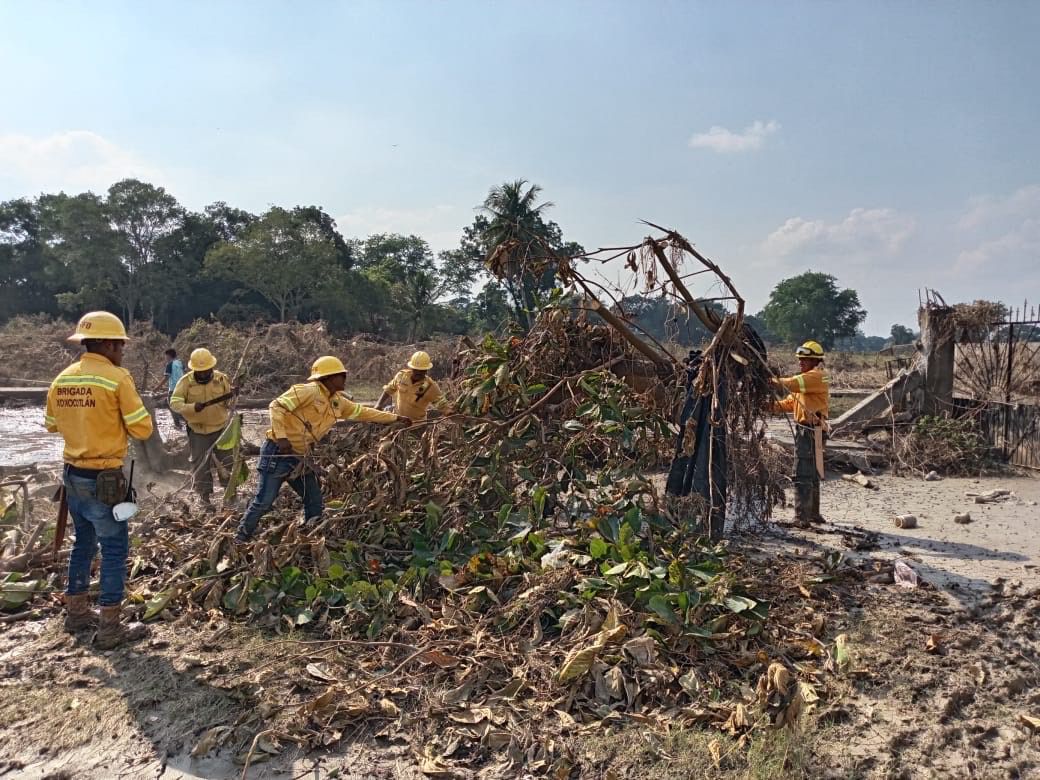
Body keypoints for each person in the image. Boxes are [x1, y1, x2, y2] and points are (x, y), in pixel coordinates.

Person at [44, 311, 153, 649]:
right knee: (116, 548)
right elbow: (143, 428)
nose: (122, 351)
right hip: (104, 478)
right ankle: (109, 627)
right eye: (120, 345)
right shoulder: (116, 378)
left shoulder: (63, 378)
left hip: (72, 476)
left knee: (84, 542)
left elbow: (51, 425)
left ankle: (76, 613)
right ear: (107, 343)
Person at [236, 356, 409, 542]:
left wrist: (395, 418)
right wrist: (282, 437)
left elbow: (362, 412)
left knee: (314, 499)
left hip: (300, 457)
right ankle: (240, 538)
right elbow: (276, 406)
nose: (344, 379)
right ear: (328, 377)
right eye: (341, 375)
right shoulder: (308, 391)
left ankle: (310, 537)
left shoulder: (337, 402)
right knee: (264, 501)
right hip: (278, 452)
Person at [770, 340, 830, 526]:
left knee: (802, 472)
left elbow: (790, 384)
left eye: (805, 359)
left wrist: (768, 380)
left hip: (810, 431)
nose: (800, 362)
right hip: (815, 431)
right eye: (800, 359)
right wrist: (766, 406)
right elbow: (790, 402)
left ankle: (801, 517)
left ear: (815, 361)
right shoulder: (807, 382)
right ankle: (813, 514)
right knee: (813, 472)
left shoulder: (817, 376)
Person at [169, 348, 237, 505]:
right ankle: (204, 498)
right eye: (200, 371)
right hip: (198, 430)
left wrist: (234, 396)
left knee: (227, 462)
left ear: (212, 367)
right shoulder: (185, 382)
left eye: (207, 370)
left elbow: (229, 404)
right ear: (194, 370)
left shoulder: (221, 379)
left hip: (221, 429)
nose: (204, 374)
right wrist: (192, 407)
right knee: (200, 465)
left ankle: (231, 495)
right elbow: (174, 403)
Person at [376, 351, 450, 422]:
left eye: (422, 370)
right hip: (398, 421)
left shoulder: (429, 386)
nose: (418, 373)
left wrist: (451, 414)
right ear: (411, 368)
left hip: (416, 425)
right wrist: (378, 405)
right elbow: (389, 389)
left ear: (427, 370)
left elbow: (442, 405)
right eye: (416, 370)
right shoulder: (402, 376)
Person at [157, 348, 186, 431]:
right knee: (181, 405)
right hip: (182, 388)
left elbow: (166, 378)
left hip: (173, 389)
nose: (165, 358)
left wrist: (156, 388)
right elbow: (185, 374)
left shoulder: (169, 365)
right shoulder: (180, 363)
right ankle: (187, 422)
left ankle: (178, 424)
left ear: (169, 355)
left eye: (166, 356)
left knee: (171, 405)